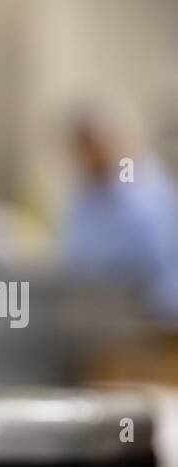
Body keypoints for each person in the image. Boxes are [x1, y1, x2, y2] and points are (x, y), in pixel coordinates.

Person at [62, 109, 178, 319]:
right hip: (107, 305)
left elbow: (156, 254)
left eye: (92, 148)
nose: (87, 158)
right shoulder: (86, 195)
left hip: (156, 305)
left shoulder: (140, 182)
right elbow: (77, 259)